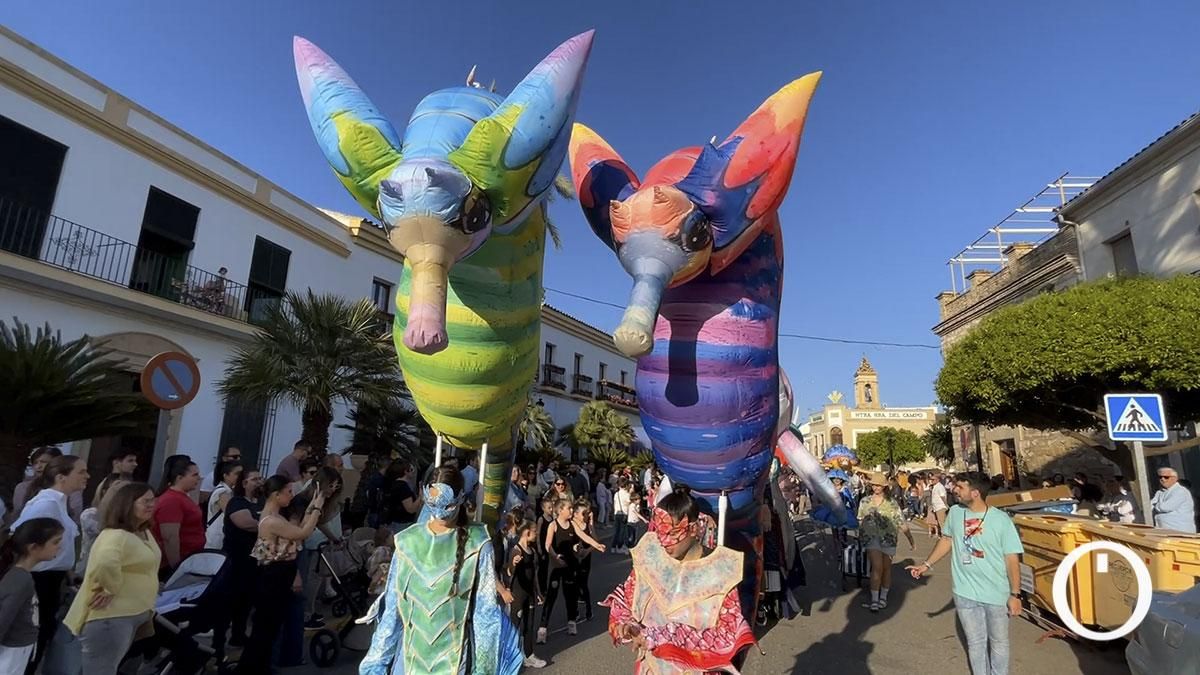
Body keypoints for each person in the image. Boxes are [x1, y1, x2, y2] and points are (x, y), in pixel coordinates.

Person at [359, 464, 522, 674]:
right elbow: (393, 611)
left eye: (447, 506)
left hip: (454, 662)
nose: (439, 514)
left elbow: (485, 614)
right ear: (424, 494)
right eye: (433, 503)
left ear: (461, 498)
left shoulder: (477, 543)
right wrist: (375, 666)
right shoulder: (408, 542)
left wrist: (484, 669)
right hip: (409, 662)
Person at [602, 489, 755, 673]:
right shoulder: (650, 560)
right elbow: (625, 600)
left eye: (673, 533)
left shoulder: (720, 575)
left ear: (692, 528)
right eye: (660, 533)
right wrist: (627, 625)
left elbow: (726, 635)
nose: (665, 542)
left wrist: (661, 636)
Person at [907, 472, 1024, 675]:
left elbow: (1012, 558)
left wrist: (1015, 594)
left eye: (960, 487)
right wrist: (926, 565)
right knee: (976, 643)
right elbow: (947, 540)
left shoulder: (1001, 520)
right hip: (965, 593)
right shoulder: (955, 512)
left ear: (976, 493)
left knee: (999, 643)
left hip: (996, 594)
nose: (954, 490)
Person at [234, 475, 327, 674]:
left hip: (280, 573)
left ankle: (260, 666)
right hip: (274, 575)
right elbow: (302, 534)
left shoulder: (276, 516)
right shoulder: (271, 520)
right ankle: (251, 668)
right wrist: (317, 510)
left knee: (270, 626)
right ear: (276, 495)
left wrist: (312, 507)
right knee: (265, 626)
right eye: (288, 492)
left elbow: (298, 529)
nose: (291, 496)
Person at [65, 482, 160, 674]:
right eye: (145, 501)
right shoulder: (115, 535)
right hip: (111, 617)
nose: (151, 505)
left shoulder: (142, 531)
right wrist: (110, 587)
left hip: (131, 614)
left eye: (153, 500)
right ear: (127, 504)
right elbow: (105, 562)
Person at [10, 455, 86, 673]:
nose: (86, 476)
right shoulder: (47, 504)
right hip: (38, 581)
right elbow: (24, 538)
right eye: (80, 472)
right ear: (62, 477)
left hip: (52, 580)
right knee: (31, 641)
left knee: (42, 637)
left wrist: (68, 571)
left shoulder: (59, 502)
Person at [0, 518, 64, 673]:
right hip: (13, 650)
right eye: (55, 542)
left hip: (18, 647)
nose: (59, 547)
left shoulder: (22, 576)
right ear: (33, 547)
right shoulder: (21, 580)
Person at [538, 498, 606, 642]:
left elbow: (584, 536)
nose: (571, 511)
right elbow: (547, 545)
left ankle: (571, 622)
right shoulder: (553, 525)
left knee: (570, 595)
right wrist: (555, 556)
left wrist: (597, 545)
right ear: (560, 510)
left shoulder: (572, 524)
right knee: (551, 596)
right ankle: (543, 628)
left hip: (571, 565)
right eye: (568, 508)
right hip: (557, 566)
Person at [857, 472, 914, 612]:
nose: (876, 487)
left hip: (889, 538)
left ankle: (883, 596)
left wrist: (910, 539)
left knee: (886, 568)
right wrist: (861, 534)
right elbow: (860, 519)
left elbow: (901, 522)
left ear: (884, 486)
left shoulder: (892, 503)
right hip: (871, 538)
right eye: (874, 485)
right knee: (877, 567)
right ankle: (875, 599)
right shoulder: (864, 501)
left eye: (879, 485)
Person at [220, 469, 264, 648]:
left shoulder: (262, 502)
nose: (260, 482)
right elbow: (245, 523)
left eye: (260, 478)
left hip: (254, 562)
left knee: (246, 602)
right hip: (236, 561)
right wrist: (270, 525)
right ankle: (219, 641)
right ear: (244, 483)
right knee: (230, 601)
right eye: (255, 479)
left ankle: (238, 636)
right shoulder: (236, 502)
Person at [505, 520, 546, 668]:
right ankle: (510, 659)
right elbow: (509, 572)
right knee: (514, 627)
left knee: (529, 625)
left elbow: (534, 575)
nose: (536, 535)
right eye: (535, 532)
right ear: (527, 532)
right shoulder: (516, 551)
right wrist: (513, 563)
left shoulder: (532, 551)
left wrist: (538, 593)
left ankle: (529, 655)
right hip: (518, 594)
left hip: (529, 594)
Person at [153, 459, 205, 575]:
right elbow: (170, 537)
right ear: (179, 478)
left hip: (190, 559)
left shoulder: (182, 497)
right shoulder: (172, 500)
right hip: (176, 563)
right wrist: (176, 568)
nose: (198, 478)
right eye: (194, 475)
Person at [204, 460, 242, 549]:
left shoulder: (231, 492)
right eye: (237, 474)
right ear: (225, 475)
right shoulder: (222, 492)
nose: (240, 477)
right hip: (217, 539)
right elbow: (232, 513)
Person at [1151, 467, 1196, 532]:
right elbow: (1149, 506)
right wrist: (1157, 505)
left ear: (1175, 478)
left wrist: (1156, 505)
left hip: (1181, 532)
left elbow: (1166, 507)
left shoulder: (1180, 491)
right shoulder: (1160, 492)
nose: (1162, 479)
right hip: (1165, 531)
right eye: (1160, 477)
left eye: (1166, 477)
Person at [384, 461, 422, 533]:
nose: (413, 472)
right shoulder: (402, 487)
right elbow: (410, 509)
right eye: (411, 470)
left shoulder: (394, 484)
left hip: (394, 521)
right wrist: (421, 496)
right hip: (402, 524)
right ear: (405, 472)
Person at [612, 477, 633, 554]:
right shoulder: (626, 494)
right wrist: (631, 493)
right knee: (623, 531)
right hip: (624, 513)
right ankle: (620, 546)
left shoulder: (616, 494)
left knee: (616, 531)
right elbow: (629, 503)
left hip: (616, 513)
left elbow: (614, 503)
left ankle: (613, 546)